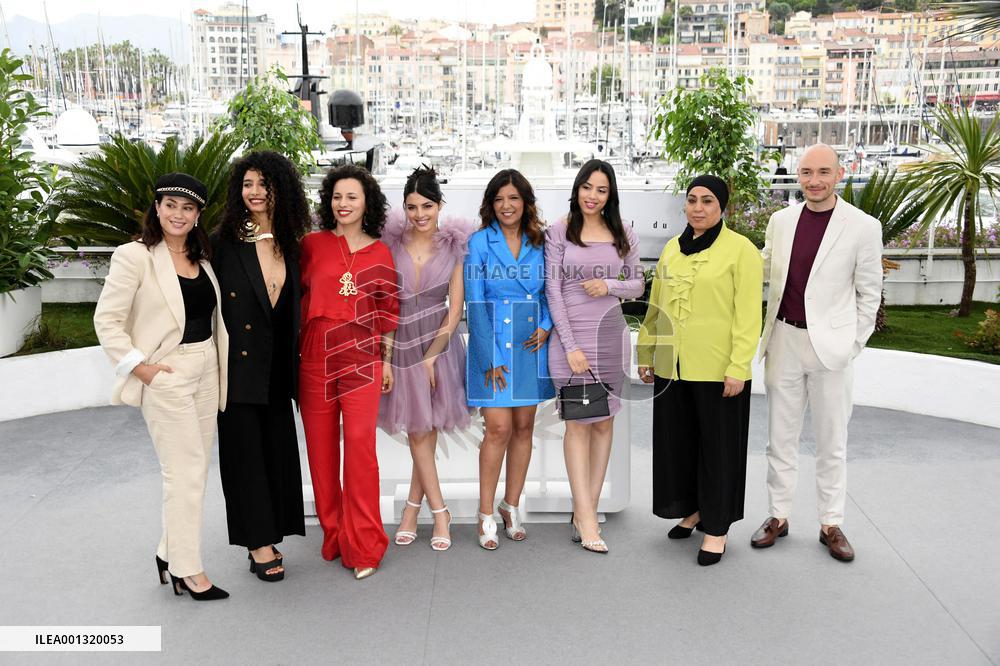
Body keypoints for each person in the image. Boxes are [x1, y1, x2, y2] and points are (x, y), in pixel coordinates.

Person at [93, 173, 230, 600]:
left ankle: (168, 552)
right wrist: (141, 368)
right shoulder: (134, 256)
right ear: (157, 207)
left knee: (196, 470)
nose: (178, 214)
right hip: (166, 374)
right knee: (184, 472)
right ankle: (188, 570)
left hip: (206, 366)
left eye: (188, 208)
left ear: (198, 215)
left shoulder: (201, 257)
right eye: (170, 204)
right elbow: (107, 321)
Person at [751, 143, 882, 562]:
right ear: (798, 175)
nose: (814, 181)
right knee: (779, 439)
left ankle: (831, 522)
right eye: (807, 172)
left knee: (832, 440)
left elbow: (869, 294)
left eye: (823, 172)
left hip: (832, 350)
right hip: (783, 341)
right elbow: (762, 268)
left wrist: (851, 345)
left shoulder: (862, 226)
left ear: (839, 174)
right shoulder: (781, 220)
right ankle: (778, 516)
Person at [637, 175, 763, 566]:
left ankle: (717, 528)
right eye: (692, 200)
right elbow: (655, 306)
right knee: (682, 445)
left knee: (718, 451)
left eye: (707, 200)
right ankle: (693, 511)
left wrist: (738, 367)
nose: (698, 207)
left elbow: (748, 316)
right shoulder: (673, 249)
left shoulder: (741, 251)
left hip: (718, 369)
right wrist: (647, 353)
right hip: (673, 367)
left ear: (721, 206)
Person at [211, 151, 308, 582]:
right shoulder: (221, 242)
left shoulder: (293, 243)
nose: (255, 192)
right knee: (244, 458)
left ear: (279, 190)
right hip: (235, 370)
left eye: (264, 184)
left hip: (278, 369)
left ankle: (271, 532)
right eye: (248, 184)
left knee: (275, 454)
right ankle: (258, 544)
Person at [300, 164, 399, 580]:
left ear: (367, 203)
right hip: (315, 356)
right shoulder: (311, 245)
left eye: (352, 197)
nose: (343, 204)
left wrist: (387, 361)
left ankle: (364, 545)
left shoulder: (380, 252)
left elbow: (389, 313)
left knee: (360, 450)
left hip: (362, 357)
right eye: (337, 197)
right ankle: (335, 534)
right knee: (321, 453)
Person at [545, 159, 644, 554]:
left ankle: (585, 507)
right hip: (572, 342)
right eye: (587, 187)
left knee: (604, 425)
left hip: (611, 340)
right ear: (577, 188)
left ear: (610, 195)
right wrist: (570, 346)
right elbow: (552, 291)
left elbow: (637, 285)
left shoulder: (624, 233)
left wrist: (609, 285)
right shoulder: (559, 231)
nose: (592, 196)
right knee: (578, 425)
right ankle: (586, 517)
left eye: (601, 190)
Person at [379, 166, 473, 552]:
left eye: (427, 206)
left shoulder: (454, 245)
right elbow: (384, 302)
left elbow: (456, 308)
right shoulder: (390, 244)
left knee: (425, 429)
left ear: (440, 205)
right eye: (412, 206)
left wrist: (432, 358)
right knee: (420, 431)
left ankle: (416, 510)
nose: (420, 214)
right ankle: (437, 512)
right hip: (400, 342)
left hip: (440, 344)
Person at [464, 169, 554, 550]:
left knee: (524, 427)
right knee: (497, 428)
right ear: (491, 204)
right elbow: (475, 302)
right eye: (499, 199)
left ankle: (511, 505)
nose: (506, 206)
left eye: (514, 199)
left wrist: (548, 325)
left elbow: (553, 290)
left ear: (526, 203)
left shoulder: (541, 243)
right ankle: (485, 512)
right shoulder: (479, 243)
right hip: (493, 343)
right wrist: (489, 358)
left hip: (531, 343)